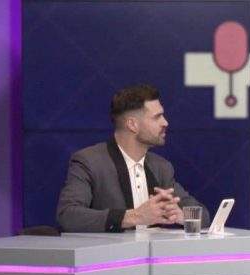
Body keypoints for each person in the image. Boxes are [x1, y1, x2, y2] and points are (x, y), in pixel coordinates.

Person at [57, 84, 209, 232]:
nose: (165, 122)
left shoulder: (161, 167)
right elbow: (68, 215)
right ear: (132, 125)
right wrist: (133, 217)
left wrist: (182, 216)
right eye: (157, 117)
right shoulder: (90, 162)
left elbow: (203, 215)